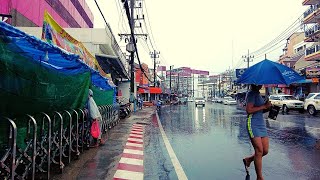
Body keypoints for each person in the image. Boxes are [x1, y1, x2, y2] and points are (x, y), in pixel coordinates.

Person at [243, 84, 272, 180]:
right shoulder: (251, 94)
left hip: (261, 124)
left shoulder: (258, 94)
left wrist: (267, 107)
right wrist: (264, 106)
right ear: (254, 83)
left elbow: (259, 110)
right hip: (253, 124)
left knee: (265, 150)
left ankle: (249, 159)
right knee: (259, 150)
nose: (261, 85)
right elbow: (249, 110)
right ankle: (259, 177)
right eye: (259, 83)